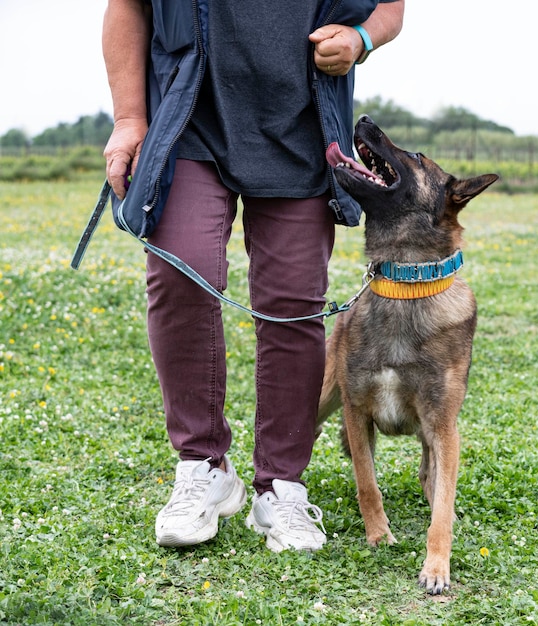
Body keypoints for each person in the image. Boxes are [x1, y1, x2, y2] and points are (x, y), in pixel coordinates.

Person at [102, 0, 404, 552]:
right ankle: (203, 467)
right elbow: (127, 6)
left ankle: (281, 487)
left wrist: (362, 36)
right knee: (181, 274)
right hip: (188, 122)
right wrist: (128, 119)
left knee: (293, 303)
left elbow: (390, 7)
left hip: (302, 130)